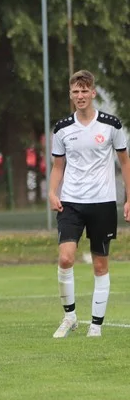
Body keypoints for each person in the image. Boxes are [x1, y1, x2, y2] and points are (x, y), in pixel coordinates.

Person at [48, 70, 130, 339]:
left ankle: (95, 325)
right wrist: (52, 192)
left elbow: (124, 162)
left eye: (85, 91)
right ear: (70, 95)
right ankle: (70, 317)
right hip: (71, 202)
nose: (80, 96)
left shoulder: (111, 125)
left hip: (103, 203)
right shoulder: (61, 128)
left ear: (93, 93)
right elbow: (58, 166)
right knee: (65, 257)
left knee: (99, 266)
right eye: (75, 91)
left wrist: (129, 198)